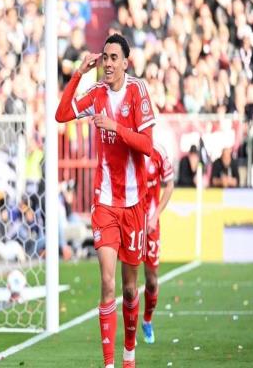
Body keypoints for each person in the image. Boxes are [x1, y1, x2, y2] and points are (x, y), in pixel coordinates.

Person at [56, 33, 155, 368]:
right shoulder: (96, 93)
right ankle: (110, 364)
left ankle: (129, 354)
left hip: (134, 204)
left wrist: (115, 127)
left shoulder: (138, 91)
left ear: (125, 62)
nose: (108, 64)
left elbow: (146, 145)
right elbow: (61, 114)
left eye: (114, 58)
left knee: (129, 289)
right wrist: (78, 74)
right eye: (105, 58)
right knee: (108, 282)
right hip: (105, 204)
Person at [141, 142, 174, 344]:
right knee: (128, 282)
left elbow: (170, 185)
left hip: (151, 225)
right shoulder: (128, 148)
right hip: (131, 223)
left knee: (152, 280)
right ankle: (129, 332)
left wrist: (155, 216)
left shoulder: (158, 152)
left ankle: (147, 320)